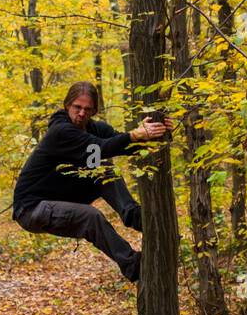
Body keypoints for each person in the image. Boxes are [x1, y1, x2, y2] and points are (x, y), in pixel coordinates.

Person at [13, 81, 172, 283]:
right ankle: (132, 264)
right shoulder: (61, 131)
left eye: (87, 109)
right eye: (77, 107)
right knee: (91, 217)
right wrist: (133, 135)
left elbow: (121, 145)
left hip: (63, 196)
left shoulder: (95, 128)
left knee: (103, 169)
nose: (81, 113)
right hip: (32, 209)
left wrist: (156, 134)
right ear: (67, 105)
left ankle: (136, 217)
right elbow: (102, 147)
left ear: (94, 110)